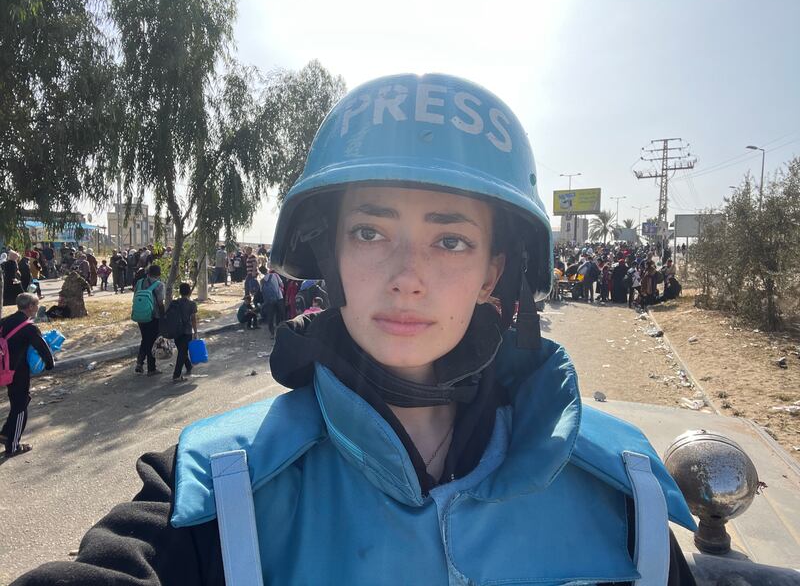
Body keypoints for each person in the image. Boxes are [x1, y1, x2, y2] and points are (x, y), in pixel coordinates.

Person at [14, 74, 696, 585]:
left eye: (450, 241)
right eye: (370, 232)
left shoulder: (622, 491)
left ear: (496, 271)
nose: (406, 277)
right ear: (330, 254)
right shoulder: (218, 491)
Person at [1, 293, 54, 457]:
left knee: (19, 400)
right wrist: (50, 364)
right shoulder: (29, 327)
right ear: (30, 307)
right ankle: (13, 445)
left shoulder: (5, 321)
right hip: (18, 371)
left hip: (5, 369)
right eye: (36, 305)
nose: (37, 308)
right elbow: (42, 347)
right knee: (20, 407)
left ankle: (5, 434)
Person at [133, 264, 166, 376]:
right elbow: (161, 303)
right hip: (153, 316)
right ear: (159, 274)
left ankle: (140, 362)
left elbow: (135, 296)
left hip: (139, 315)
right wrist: (163, 316)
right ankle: (151, 368)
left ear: (148, 273)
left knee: (145, 339)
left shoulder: (140, 282)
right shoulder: (159, 285)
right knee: (151, 341)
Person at [170, 283, 198, 383]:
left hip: (176, 331)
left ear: (180, 292)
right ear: (190, 292)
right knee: (182, 352)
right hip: (186, 331)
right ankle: (176, 375)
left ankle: (188, 366)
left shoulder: (175, 303)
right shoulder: (192, 304)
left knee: (182, 350)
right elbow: (193, 319)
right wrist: (195, 332)